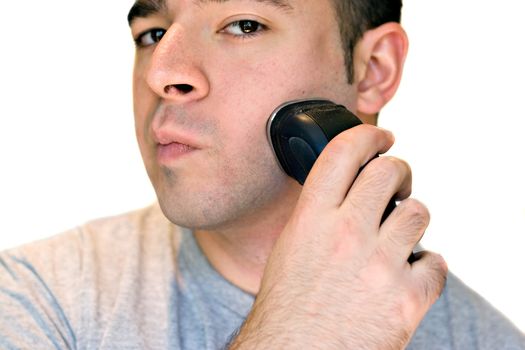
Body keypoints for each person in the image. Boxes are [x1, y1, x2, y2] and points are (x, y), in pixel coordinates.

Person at [0, 0, 523, 348]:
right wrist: (299, 334)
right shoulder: (32, 302)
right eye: (152, 33)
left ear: (373, 69)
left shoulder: (490, 341)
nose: (163, 71)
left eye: (244, 25)